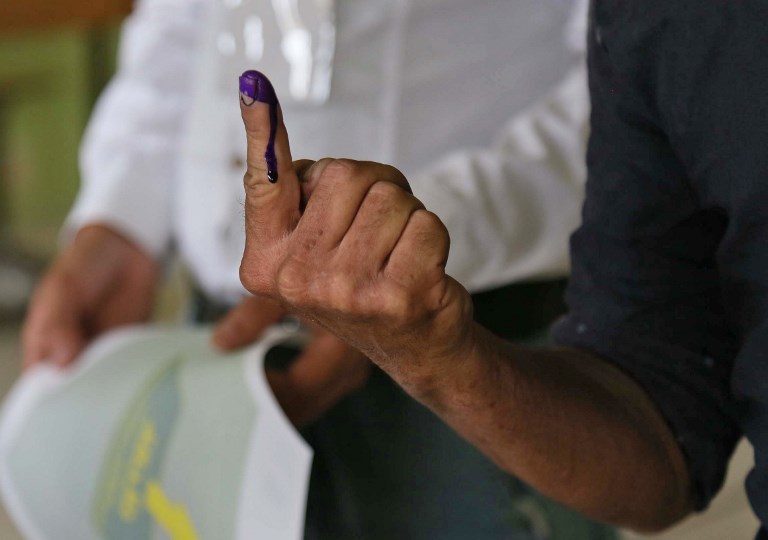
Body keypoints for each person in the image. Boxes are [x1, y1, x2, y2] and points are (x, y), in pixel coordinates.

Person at [21, 0, 616, 538]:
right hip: (220, 348)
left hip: (468, 351)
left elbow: (626, 85)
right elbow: (181, 26)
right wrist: (121, 220)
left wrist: (396, 243)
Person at [231, 0, 768, 536]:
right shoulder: (655, 21)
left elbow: (566, 132)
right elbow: (661, 435)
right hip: (283, 343)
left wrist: (413, 238)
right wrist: (438, 361)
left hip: (507, 292)